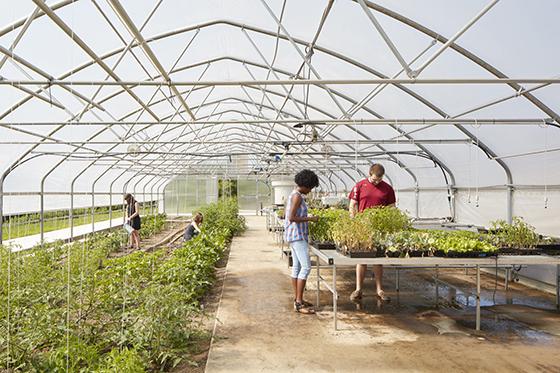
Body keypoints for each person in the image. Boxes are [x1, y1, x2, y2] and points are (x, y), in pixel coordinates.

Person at [349, 164, 396, 302]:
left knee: (378, 259)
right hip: (362, 227)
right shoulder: (360, 186)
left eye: (379, 180)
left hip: (379, 229)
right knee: (361, 259)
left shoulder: (387, 188)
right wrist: (354, 222)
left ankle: (379, 289)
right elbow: (352, 204)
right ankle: (358, 289)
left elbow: (392, 208)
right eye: (375, 179)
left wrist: (389, 224)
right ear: (369, 174)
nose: (377, 182)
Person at [285, 169, 320, 314]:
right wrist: (310, 218)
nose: (310, 190)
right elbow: (292, 218)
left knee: (297, 267)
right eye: (310, 187)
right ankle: (299, 303)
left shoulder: (294, 194)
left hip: (294, 236)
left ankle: (298, 299)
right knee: (306, 268)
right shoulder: (297, 197)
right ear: (305, 185)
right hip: (298, 236)